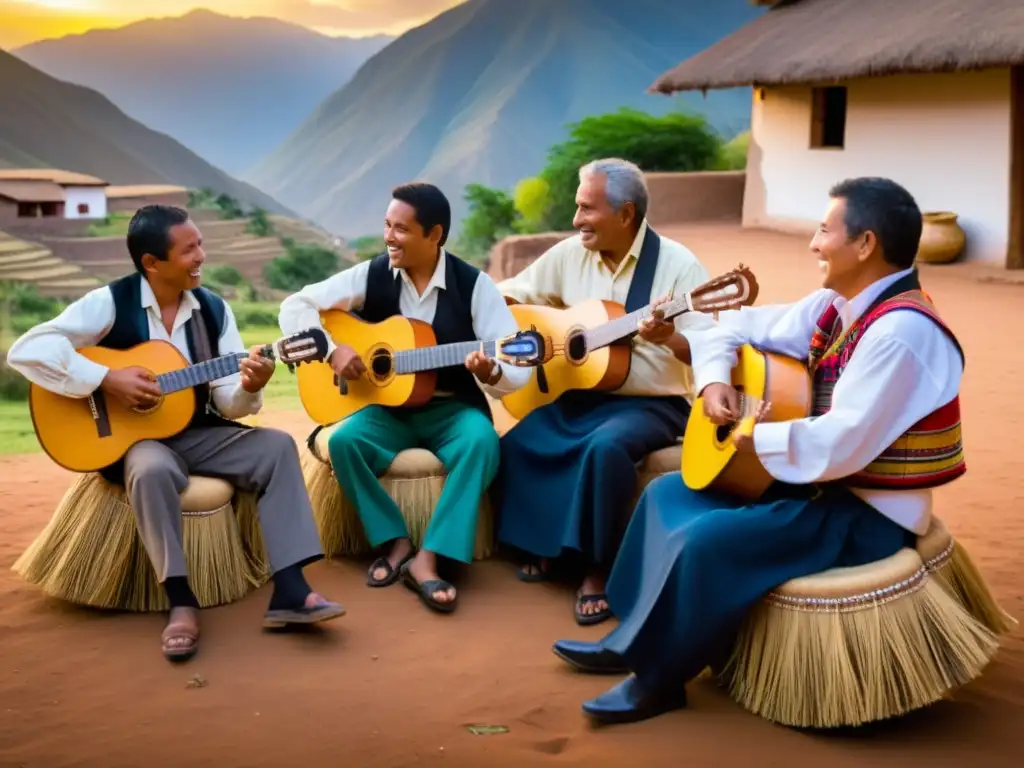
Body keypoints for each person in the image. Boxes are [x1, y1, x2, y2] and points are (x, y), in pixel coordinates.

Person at [550, 176, 968, 725]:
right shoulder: (833, 306)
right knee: (668, 495)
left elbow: (841, 445)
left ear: (865, 245)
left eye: (824, 231)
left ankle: (658, 679)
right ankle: (631, 639)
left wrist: (750, 437)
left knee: (707, 539)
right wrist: (714, 384)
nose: (814, 244)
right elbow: (733, 326)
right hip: (811, 484)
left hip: (864, 512)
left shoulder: (902, 335)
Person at [6, 204, 344, 663]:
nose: (201, 255)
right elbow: (28, 350)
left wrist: (250, 384)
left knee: (278, 446)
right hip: (137, 441)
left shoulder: (213, 309)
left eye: (201, 244)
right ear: (152, 262)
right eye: (189, 249)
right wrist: (106, 379)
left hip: (199, 431)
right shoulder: (110, 302)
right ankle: (180, 600)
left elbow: (227, 401)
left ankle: (291, 588)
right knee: (149, 471)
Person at [277, 182, 531, 614]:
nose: (389, 237)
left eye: (401, 229)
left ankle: (430, 557)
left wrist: (494, 371)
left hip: (451, 409)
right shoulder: (372, 274)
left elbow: (517, 363)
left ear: (435, 235)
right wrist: (330, 347)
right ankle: (394, 540)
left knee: (482, 442)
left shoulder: (475, 285)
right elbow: (295, 305)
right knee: (343, 442)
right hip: (386, 410)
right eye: (386, 226)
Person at [492, 157, 715, 625]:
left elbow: (711, 349)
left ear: (626, 214)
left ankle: (595, 568)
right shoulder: (570, 253)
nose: (576, 221)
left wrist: (668, 337)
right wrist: (519, 321)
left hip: (652, 404)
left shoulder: (678, 266)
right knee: (521, 440)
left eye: (587, 209)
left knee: (605, 448)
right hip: (582, 394)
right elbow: (512, 291)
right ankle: (540, 543)